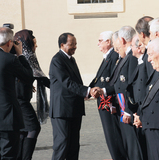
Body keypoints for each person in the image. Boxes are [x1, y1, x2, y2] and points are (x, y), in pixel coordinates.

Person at [0, 27, 33, 159]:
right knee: (9, 155)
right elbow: (28, 76)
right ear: (10, 43)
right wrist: (20, 54)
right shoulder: (9, 60)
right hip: (7, 119)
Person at [49, 32, 98, 160]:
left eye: (76, 44)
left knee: (73, 146)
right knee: (62, 144)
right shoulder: (57, 60)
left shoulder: (71, 59)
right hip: (62, 110)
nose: (75, 47)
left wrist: (85, 91)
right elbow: (67, 82)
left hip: (74, 108)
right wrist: (87, 91)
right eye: (72, 44)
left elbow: (76, 82)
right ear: (62, 45)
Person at [98, 26, 143, 160]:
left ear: (121, 40)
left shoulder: (132, 58)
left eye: (115, 41)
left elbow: (131, 87)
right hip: (123, 110)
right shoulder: (125, 57)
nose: (115, 46)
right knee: (129, 147)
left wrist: (128, 111)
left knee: (134, 149)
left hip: (128, 111)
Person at [89, 31, 127, 160]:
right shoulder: (108, 56)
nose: (98, 43)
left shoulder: (114, 56)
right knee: (110, 136)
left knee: (114, 136)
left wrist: (100, 91)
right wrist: (89, 90)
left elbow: (112, 81)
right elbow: (98, 79)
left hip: (110, 103)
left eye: (100, 40)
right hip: (103, 102)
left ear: (108, 42)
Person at [14, 29, 50, 160]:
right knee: (33, 127)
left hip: (20, 99)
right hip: (20, 100)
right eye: (34, 43)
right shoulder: (25, 57)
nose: (36, 46)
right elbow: (41, 78)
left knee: (23, 131)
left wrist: (28, 84)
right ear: (27, 44)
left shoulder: (26, 56)